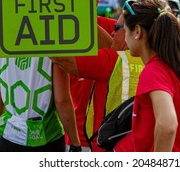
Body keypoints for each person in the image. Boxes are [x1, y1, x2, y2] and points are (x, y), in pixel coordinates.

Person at [117, 0, 180, 152]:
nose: (124, 36)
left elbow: (167, 125)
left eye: (125, 29)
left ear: (137, 31)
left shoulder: (155, 71)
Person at [51, 15, 144, 152]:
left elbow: (64, 60)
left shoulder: (114, 59)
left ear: (135, 32)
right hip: (135, 145)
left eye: (117, 28)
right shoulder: (155, 59)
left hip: (105, 145)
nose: (112, 32)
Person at [0, 56, 80, 152]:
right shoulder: (54, 47)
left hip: (9, 137)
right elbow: (62, 102)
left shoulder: (4, 47)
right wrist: (75, 143)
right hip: (48, 137)